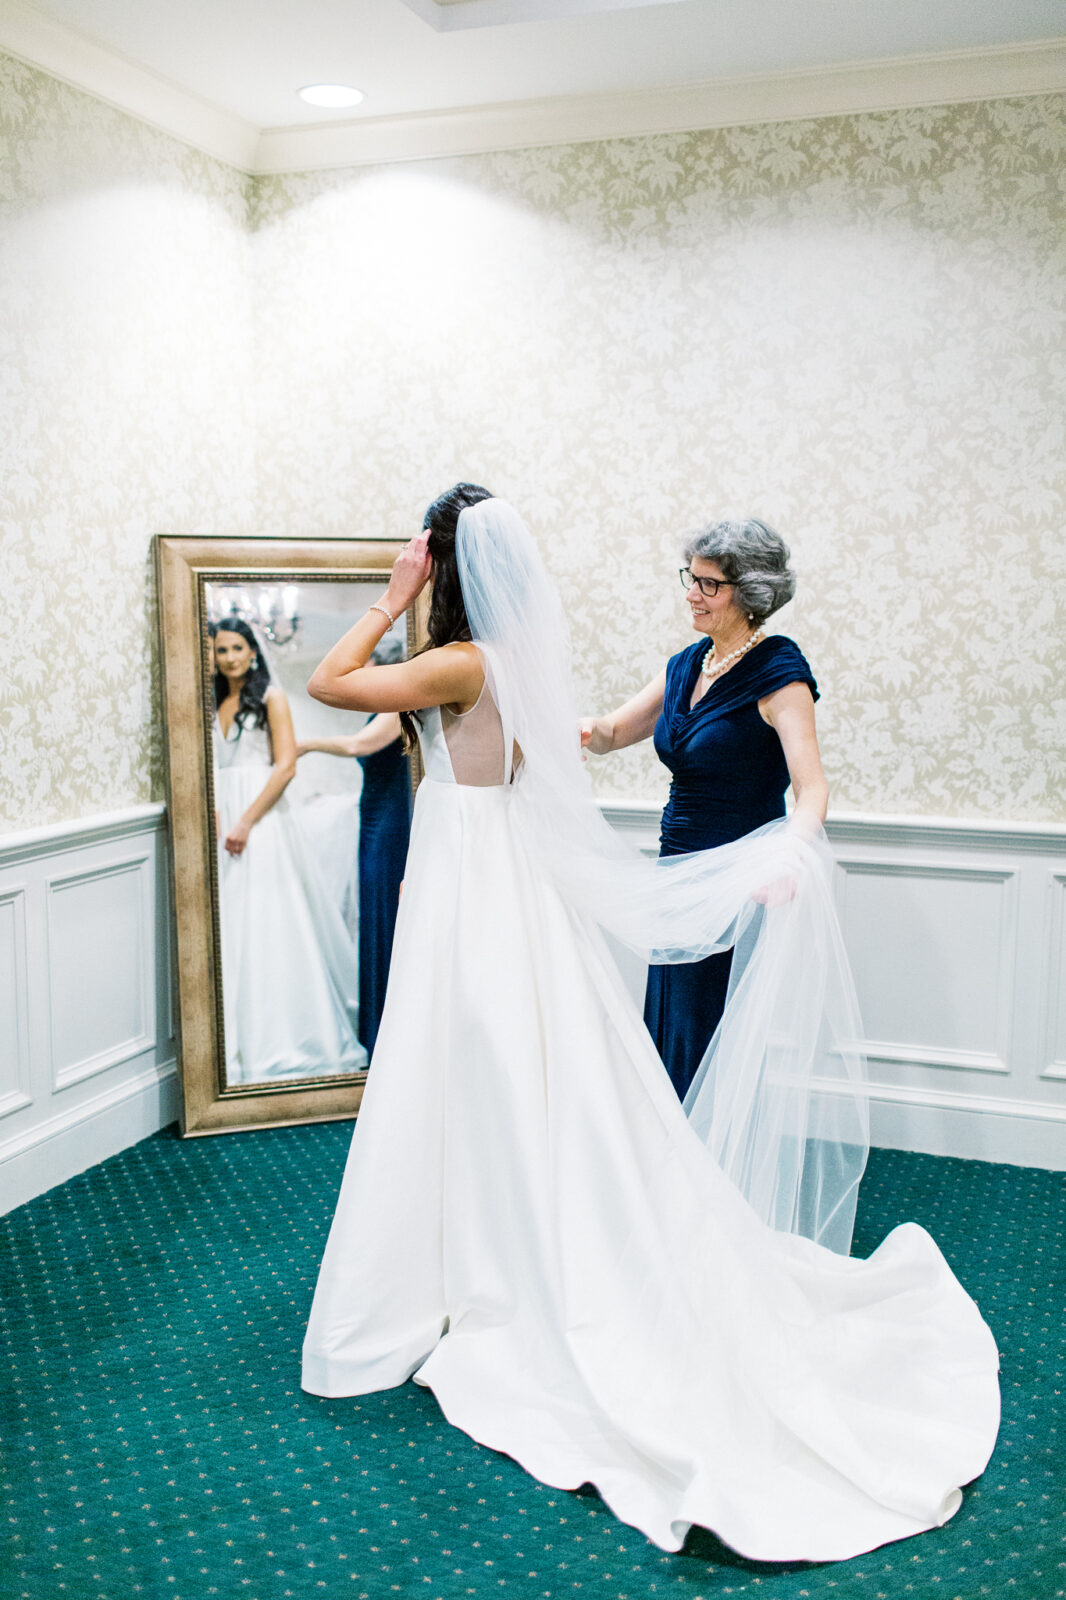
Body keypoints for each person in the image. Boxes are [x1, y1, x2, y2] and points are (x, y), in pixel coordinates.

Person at [299, 488, 999, 1562]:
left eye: (706, 582)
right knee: (529, 1061)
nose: (691, 593)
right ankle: (488, 1233)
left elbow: (328, 681)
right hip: (526, 871)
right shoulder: (571, 667)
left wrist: (390, 599)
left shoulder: (478, 661)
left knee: (494, 1055)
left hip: (543, 879)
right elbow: (590, 737)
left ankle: (495, 1250)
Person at [580, 519, 824, 1101]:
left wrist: (788, 858)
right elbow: (615, 731)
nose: (692, 592)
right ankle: (671, 1154)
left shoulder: (779, 673)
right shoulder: (689, 663)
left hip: (739, 879)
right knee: (671, 1010)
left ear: (751, 594)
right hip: (677, 871)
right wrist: (582, 730)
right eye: (691, 577)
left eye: (709, 584)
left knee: (705, 1020)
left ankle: (702, 1170)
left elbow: (811, 788)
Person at [211, 618, 367, 1083]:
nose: (230, 658)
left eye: (237, 648)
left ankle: (283, 1035)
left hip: (262, 818)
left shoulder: (272, 699)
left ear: (253, 651)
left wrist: (246, 820)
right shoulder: (213, 701)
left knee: (268, 918)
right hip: (218, 815)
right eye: (221, 650)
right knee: (228, 922)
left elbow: (284, 768)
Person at [296, 638, 413, 1058]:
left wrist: (306, 744)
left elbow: (357, 746)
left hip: (391, 820)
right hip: (371, 814)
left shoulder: (400, 705)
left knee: (385, 912)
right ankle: (374, 1023)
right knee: (372, 912)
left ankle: (388, 1029)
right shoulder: (381, 707)